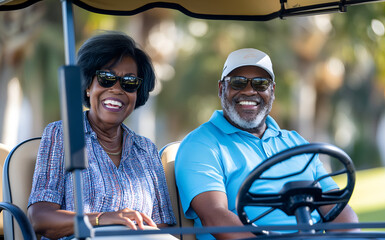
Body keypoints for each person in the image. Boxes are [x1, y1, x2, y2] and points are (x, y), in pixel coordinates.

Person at [175, 48, 359, 239]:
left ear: (272, 91)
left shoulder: (295, 141)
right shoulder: (201, 144)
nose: (249, 91)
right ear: (222, 89)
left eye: (260, 84)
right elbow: (215, 217)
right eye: (238, 82)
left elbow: (335, 206)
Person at [27, 31, 176, 240]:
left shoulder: (146, 149)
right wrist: (102, 218)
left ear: (137, 93)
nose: (116, 89)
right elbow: (40, 219)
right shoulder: (62, 134)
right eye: (106, 79)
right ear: (88, 86)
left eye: (129, 82)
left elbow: (163, 227)